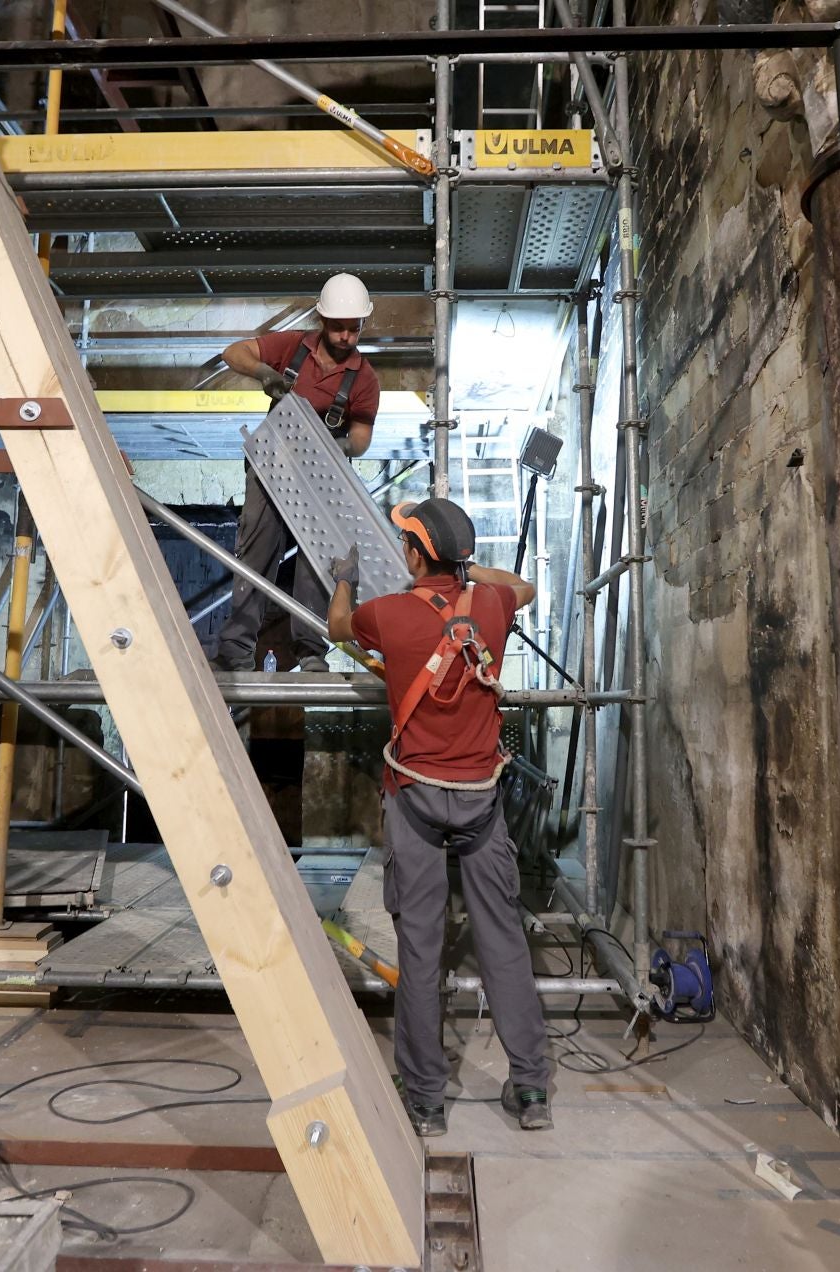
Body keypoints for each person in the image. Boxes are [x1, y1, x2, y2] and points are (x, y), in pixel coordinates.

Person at [326, 498, 554, 1136]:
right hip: (481, 798)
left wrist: (344, 575)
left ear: (414, 555)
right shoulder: (491, 606)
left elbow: (337, 625)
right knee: (503, 940)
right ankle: (531, 1089)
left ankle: (426, 1102)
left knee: (421, 947)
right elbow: (524, 586)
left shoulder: (389, 615)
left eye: (406, 543)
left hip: (415, 798)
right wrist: (471, 574)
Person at [212, 273, 382, 673]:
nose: (345, 336)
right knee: (255, 552)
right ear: (322, 321)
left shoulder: (365, 379)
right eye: (338, 327)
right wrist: (264, 373)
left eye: (353, 328)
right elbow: (233, 352)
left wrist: (337, 448)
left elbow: (360, 437)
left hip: (322, 473)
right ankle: (236, 651)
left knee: (316, 562)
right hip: (272, 462)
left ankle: (310, 652)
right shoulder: (292, 347)